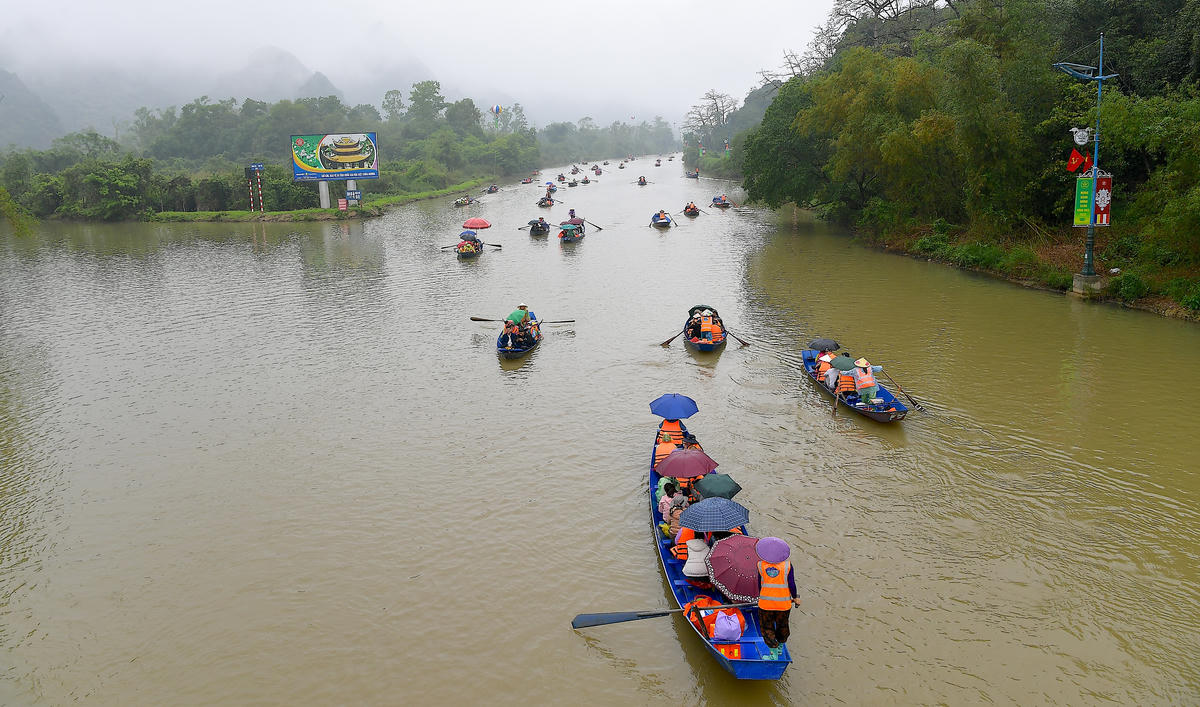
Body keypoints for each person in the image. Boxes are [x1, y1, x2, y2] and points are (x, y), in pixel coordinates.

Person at [755, 537, 800, 653]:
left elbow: (759, 585)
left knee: (767, 628)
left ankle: (773, 652)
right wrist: (795, 597)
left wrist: (761, 596)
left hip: (765, 605)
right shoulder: (788, 566)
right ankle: (780, 647)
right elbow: (792, 584)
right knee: (782, 626)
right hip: (783, 605)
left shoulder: (760, 565)